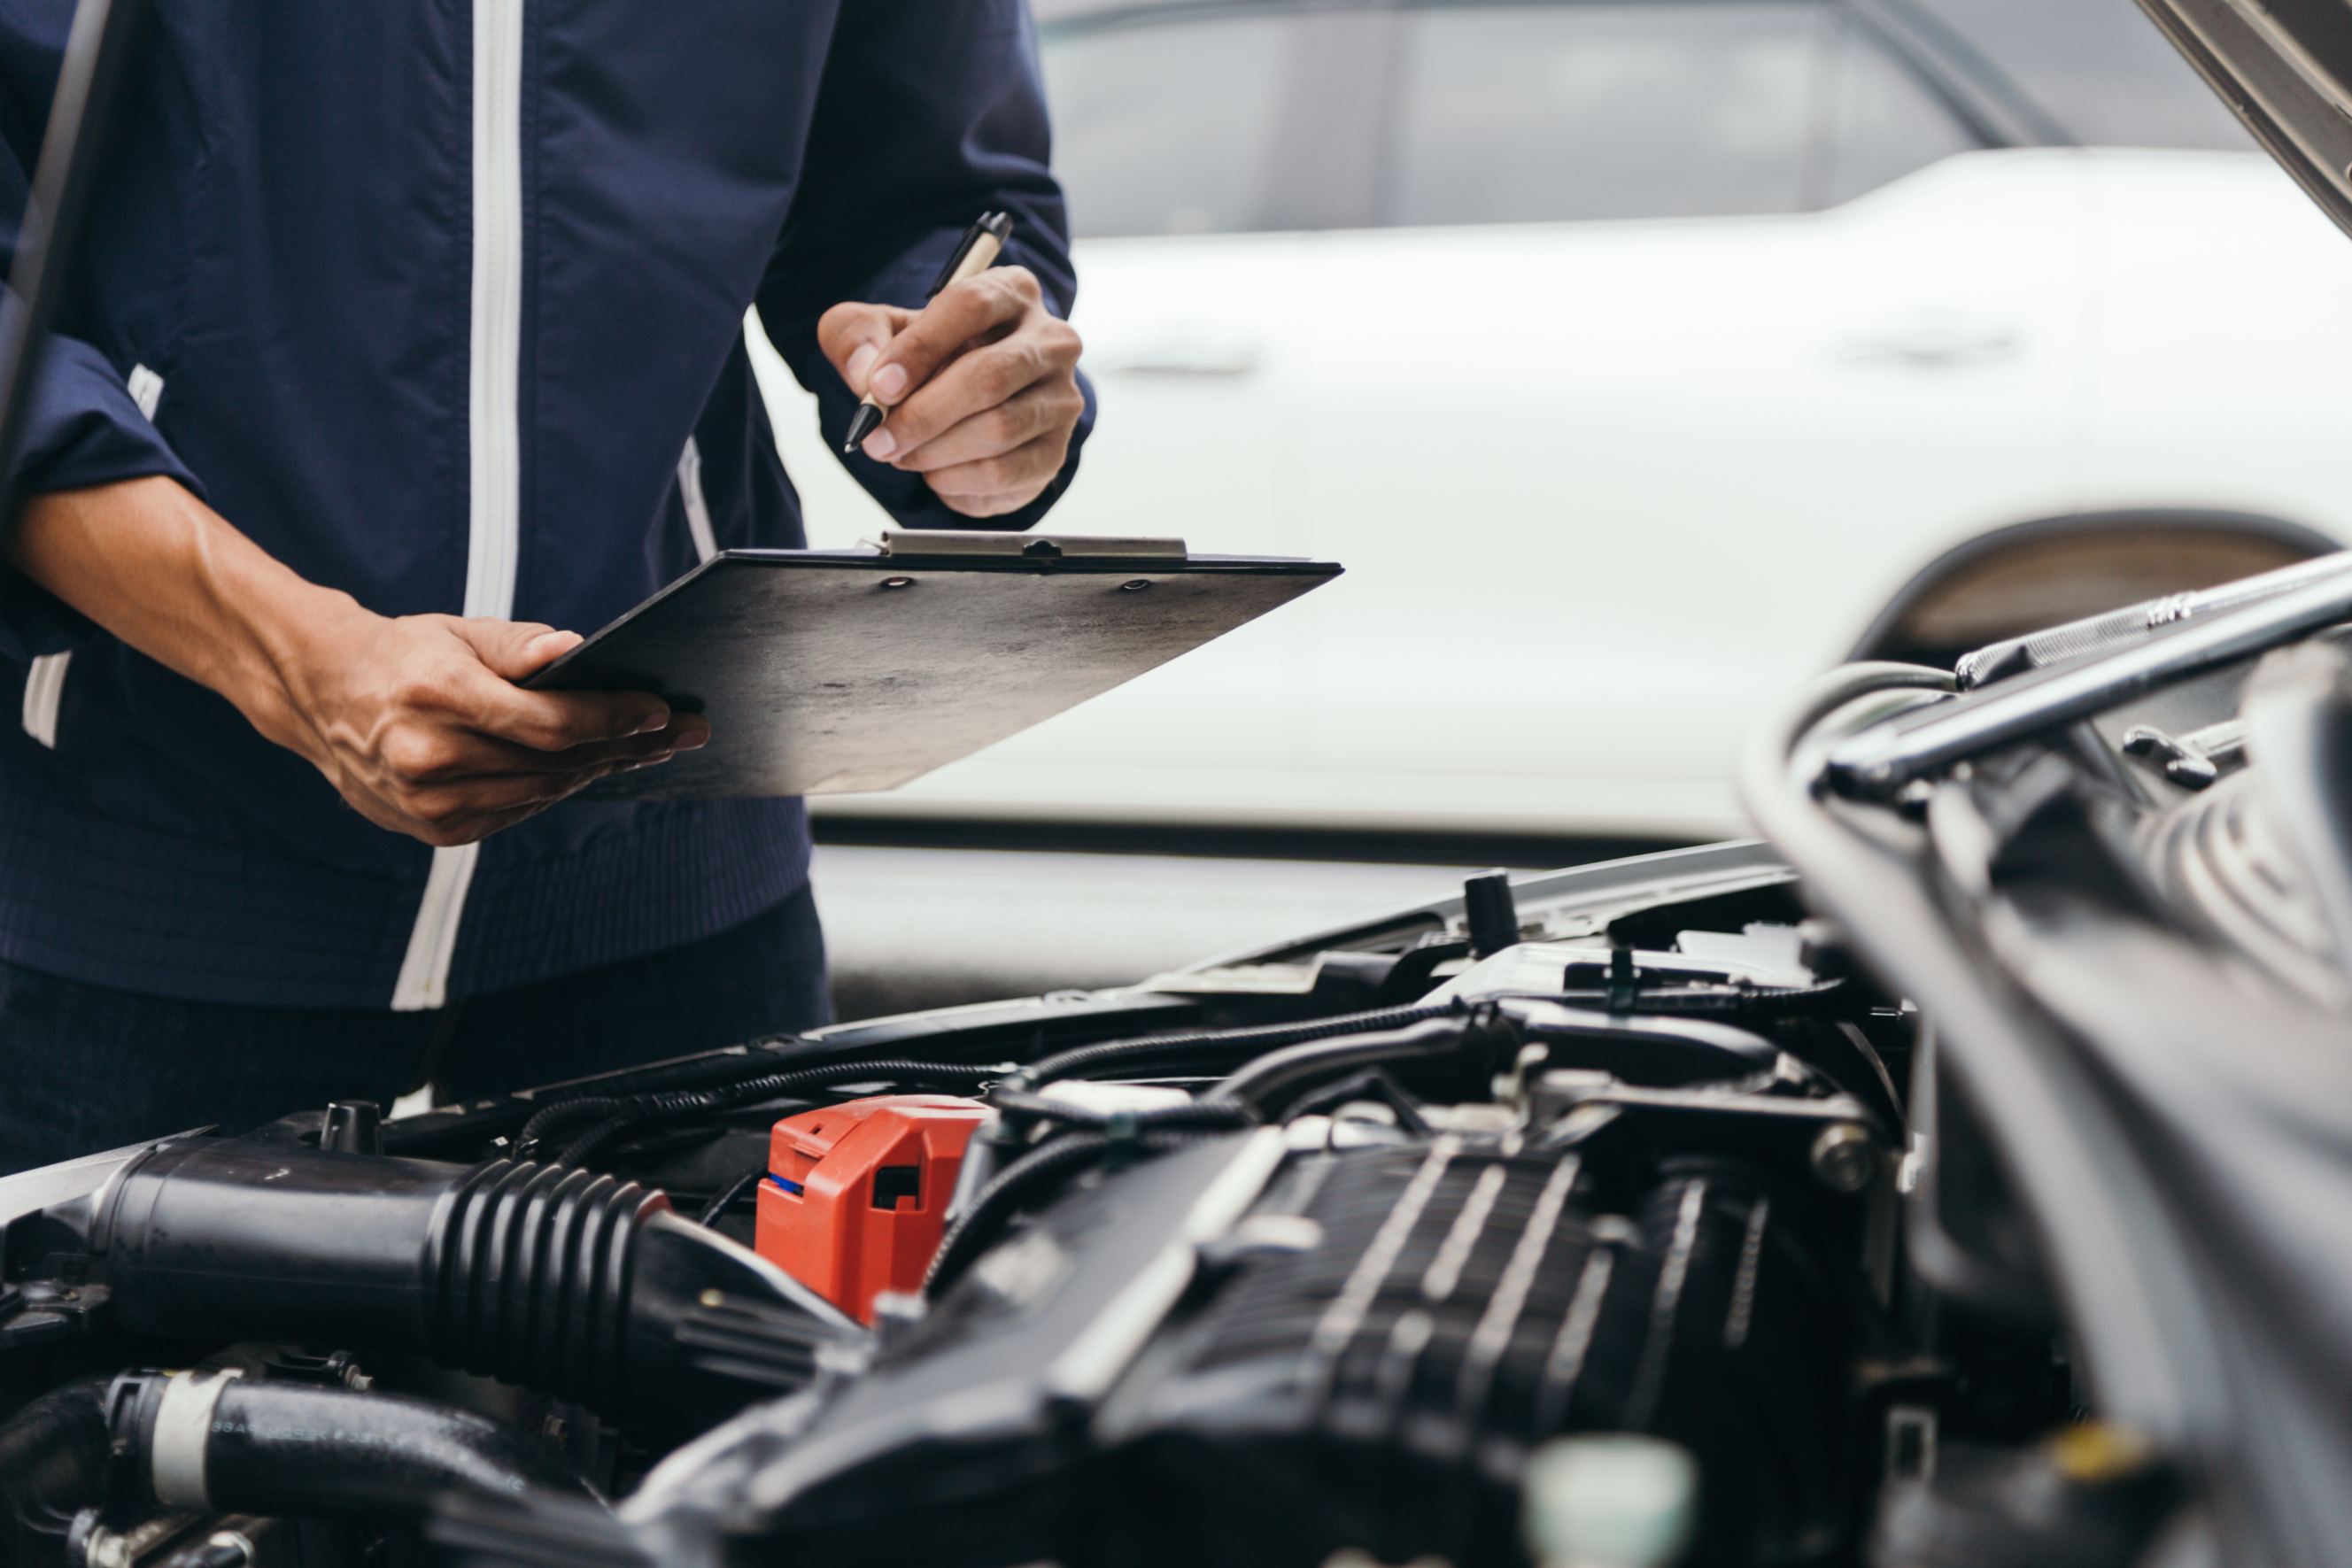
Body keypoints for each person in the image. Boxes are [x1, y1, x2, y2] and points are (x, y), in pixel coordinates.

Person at [0, 2, 1093, 1174]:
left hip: (672, 882)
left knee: (763, 1352)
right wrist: (285, 651)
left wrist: (972, 386)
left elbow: (935, 198)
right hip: (128, 878)